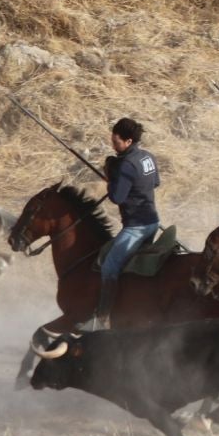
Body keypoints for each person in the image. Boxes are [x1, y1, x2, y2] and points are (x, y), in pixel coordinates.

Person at [92, 117, 160, 329]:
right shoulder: (147, 157)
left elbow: (117, 197)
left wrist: (111, 180)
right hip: (153, 222)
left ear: (128, 141)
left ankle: (103, 318)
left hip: (136, 227)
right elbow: (155, 182)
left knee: (109, 267)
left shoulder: (127, 165)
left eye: (116, 142)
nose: (113, 145)